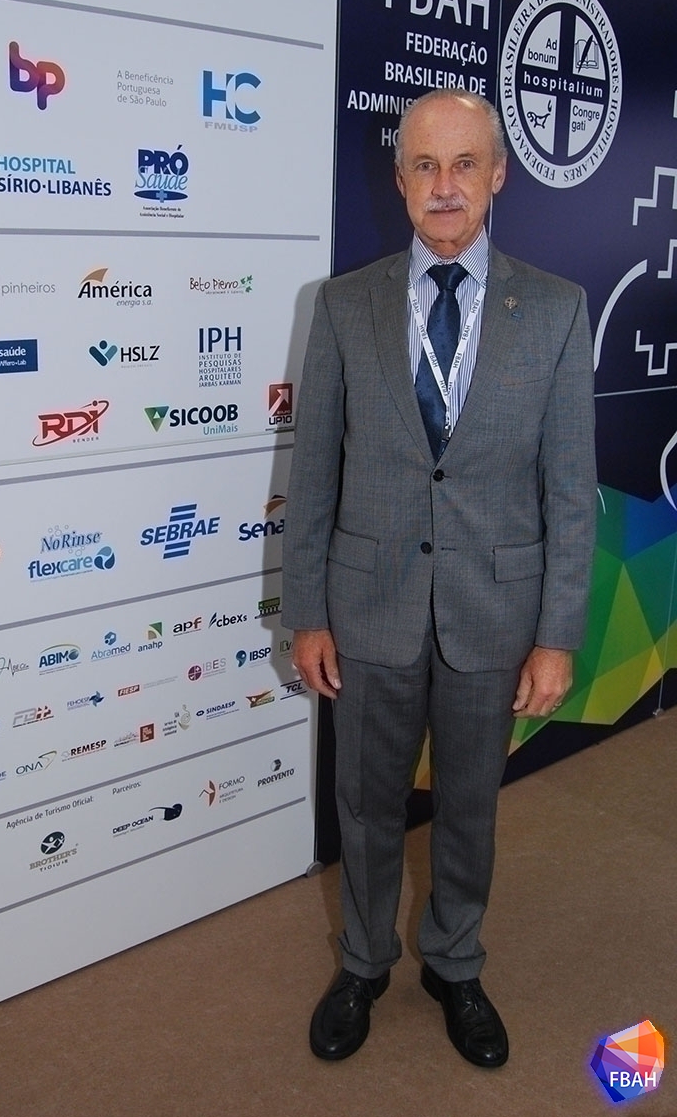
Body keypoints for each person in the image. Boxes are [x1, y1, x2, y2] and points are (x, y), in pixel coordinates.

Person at [281, 88, 596, 1067]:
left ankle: (455, 963)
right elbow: (314, 473)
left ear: (497, 174)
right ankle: (363, 962)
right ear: (400, 178)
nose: (445, 185)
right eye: (425, 165)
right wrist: (306, 613)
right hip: (366, 608)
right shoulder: (342, 307)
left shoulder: (556, 310)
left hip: (490, 613)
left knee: (469, 808)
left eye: (464, 164)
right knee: (366, 805)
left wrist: (555, 635)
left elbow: (569, 490)